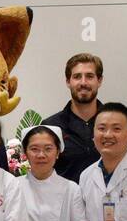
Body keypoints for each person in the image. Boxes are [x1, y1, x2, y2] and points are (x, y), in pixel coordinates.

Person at [41, 53, 104, 182]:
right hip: (63, 201)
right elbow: (43, 171)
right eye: (77, 77)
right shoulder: (51, 126)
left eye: (90, 76)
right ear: (68, 82)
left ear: (100, 81)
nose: (83, 82)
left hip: (108, 201)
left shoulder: (116, 124)